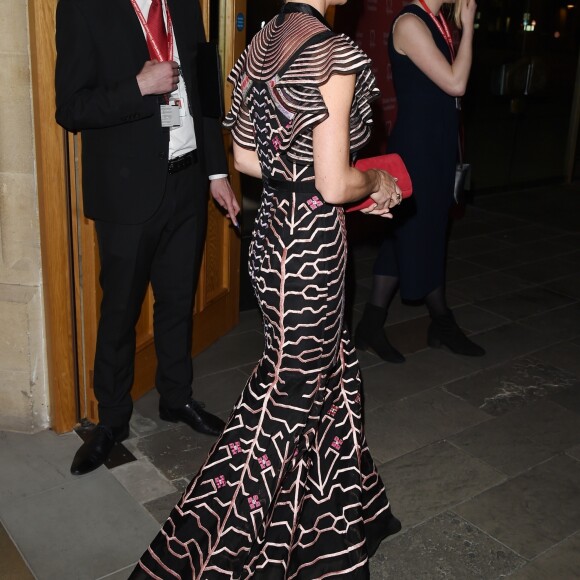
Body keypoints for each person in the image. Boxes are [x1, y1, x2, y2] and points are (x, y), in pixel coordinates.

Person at [129, 1, 402, 577]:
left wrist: (303, 166)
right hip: (311, 247)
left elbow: (248, 162)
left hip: (272, 230)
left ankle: (337, 526)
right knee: (283, 400)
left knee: (326, 375)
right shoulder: (332, 52)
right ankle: (202, 554)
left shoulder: (261, 44)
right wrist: (377, 178)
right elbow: (332, 184)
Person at [55, 0, 240, 476]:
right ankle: (111, 420)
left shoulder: (182, 4)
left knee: (178, 300)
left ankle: (176, 398)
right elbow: (71, 107)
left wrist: (216, 172)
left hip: (187, 179)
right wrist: (138, 86)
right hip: (126, 194)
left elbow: (202, 89)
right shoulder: (83, 8)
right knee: (120, 309)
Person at [355, 0, 485, 362]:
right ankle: (443, 323)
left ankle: (370, 324)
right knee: (424, 233)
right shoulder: (411, 22)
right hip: (417, 150)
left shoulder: (435, 20)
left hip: (437, 145)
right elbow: (456, 83)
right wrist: (470, 27)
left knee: (406, 236)